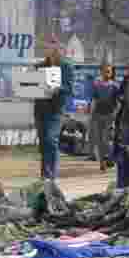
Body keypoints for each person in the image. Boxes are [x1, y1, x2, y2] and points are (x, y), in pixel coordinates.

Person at [33, 41, 74, 180]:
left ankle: (51, 175)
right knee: (44, 144)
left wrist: (58, 88)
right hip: (39, 109)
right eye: (49, 49)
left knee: (51, 140)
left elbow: (69, 88)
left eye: (56, 49)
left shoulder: (66, 67)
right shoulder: (39, 66)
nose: (52, 51)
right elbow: (31, 84)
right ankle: (45, 175)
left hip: (55, 111)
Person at [88, 64, 120, 172]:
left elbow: (118, 103)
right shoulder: (97, 85)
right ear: (101, 72)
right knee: (99, 140)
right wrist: (91, 112)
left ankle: (110, 158)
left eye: (109, 71)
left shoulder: (115, 86)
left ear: (111, 73)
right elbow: (93, 99)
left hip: (109, 116)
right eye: (105, 71)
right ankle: (102, 163)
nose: (107, 73)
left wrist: (115, 115)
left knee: (106, 140)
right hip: (97, 115)